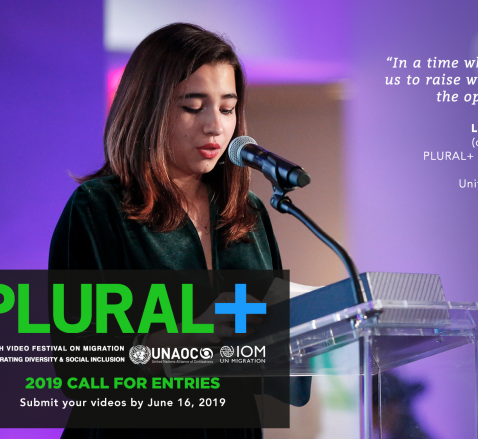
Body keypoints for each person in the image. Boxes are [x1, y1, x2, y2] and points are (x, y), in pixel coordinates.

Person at [49, 23, 302, 438]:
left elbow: (275, 371)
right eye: (193, 106)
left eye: (227, 109)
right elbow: (79, 367)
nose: (215, 126)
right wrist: (177, 341)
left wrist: (308, 334)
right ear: (149, 109)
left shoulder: (248, 212)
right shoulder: (99, 208)